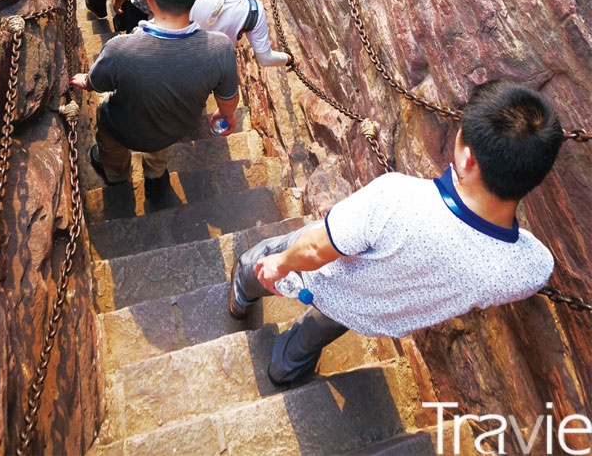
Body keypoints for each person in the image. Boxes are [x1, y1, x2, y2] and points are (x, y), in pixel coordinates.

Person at [229, 84, 563, 385]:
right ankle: (283, 370)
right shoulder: (526, 269)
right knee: (314, 334)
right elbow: (534, 255)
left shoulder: (396, 199)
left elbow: (316, 249)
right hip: (373, 315)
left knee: (262, 261)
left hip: (327, 280)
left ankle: (242, 294)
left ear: (468, 157)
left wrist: (282, 263)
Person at [71, 0, 239, 196]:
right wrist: (226, 116)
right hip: (172, 128)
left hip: (122, 128)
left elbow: (97, 82)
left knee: (110, 134)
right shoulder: (221, 48)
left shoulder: (120, 49)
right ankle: (155, 176)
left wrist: (85, 80)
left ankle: (117, 177)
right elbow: (228, 103)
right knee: (157, 139)